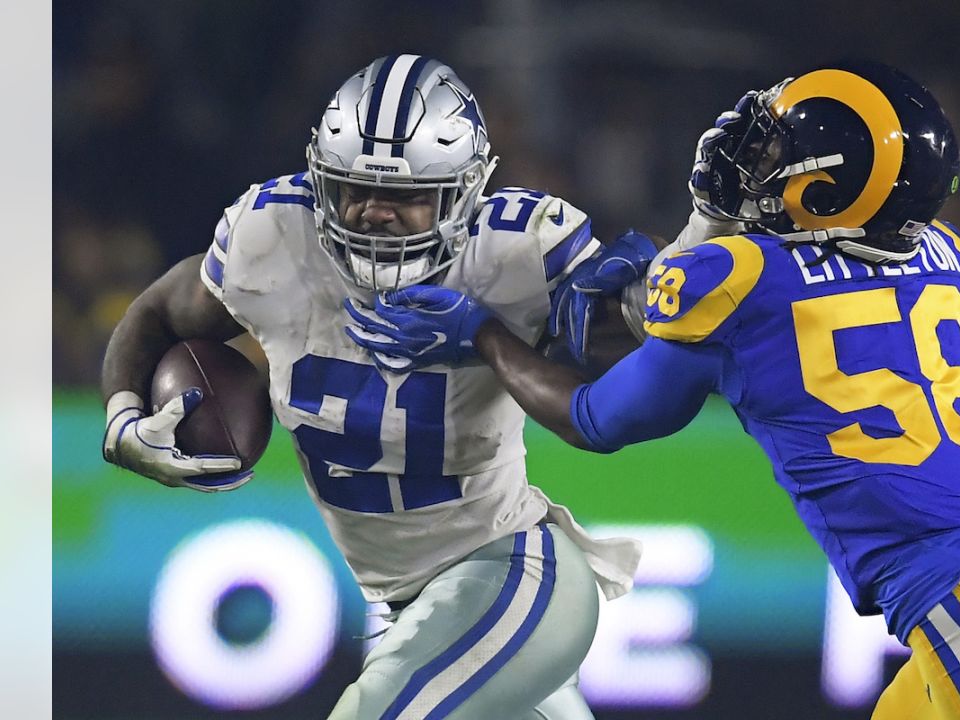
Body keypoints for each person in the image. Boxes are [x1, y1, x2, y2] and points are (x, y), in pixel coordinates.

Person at [361, 61, 960, 719]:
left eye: (783, 151)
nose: (760, 162)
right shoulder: (945, 254)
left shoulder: (738, 281)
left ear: (831, 188)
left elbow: (595, 417)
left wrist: (482, 335)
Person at [100, 54, 655, 720]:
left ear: (466, 192)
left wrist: (628, 300)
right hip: (416, 613)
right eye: (353, 188)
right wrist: (122, 416)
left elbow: (622, 363)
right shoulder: (274, 236)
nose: (372, 213)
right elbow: (159, 311)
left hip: (516, 573)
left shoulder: (513, 252)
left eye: (405, 195)